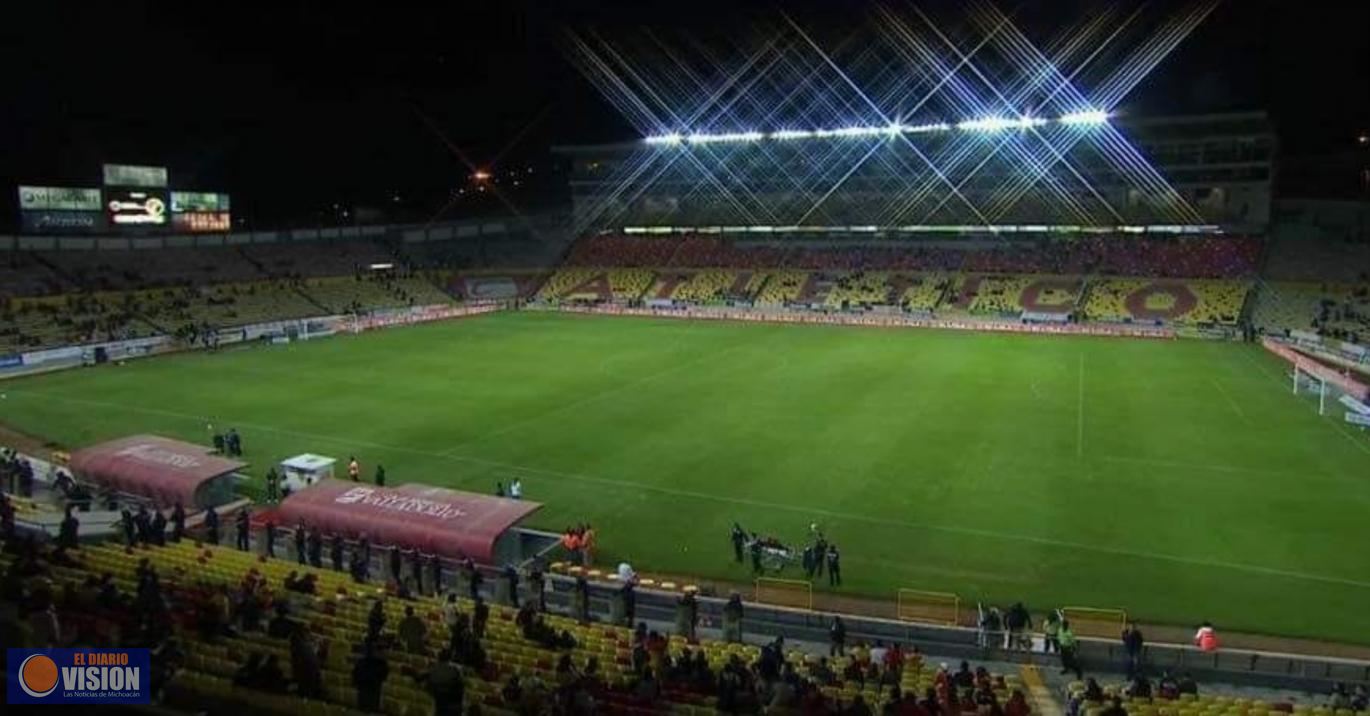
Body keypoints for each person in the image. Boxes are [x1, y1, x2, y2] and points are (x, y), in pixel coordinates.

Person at [352, 641, 390, 713]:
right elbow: (384, 676)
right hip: (372, 694)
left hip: (364, 696)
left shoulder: (361, 662)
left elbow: (355, 677)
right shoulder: (381, 664)